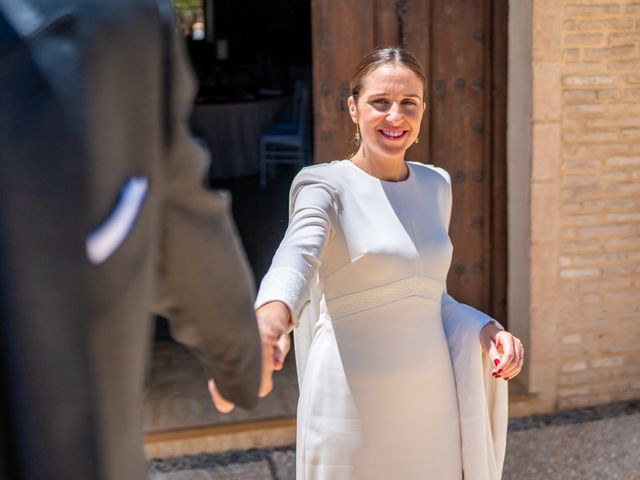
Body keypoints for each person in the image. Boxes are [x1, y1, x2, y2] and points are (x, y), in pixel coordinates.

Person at [0, 1, 281, 479]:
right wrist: (241, 362)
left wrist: (240, 355)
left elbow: (176, 218)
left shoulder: (117, 22)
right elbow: (184, 224)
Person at [255, 47, 525, 480]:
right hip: (349, 403)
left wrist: (487, 330)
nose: (395, 116)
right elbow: (298, 253)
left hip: (430, 399)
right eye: (380, 102)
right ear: (353, 108)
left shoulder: (437, 185)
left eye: (409, 104)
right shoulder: (325, 186)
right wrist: (272, 318)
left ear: (422, 112)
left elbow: (427, 294)